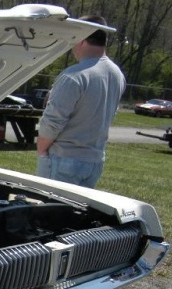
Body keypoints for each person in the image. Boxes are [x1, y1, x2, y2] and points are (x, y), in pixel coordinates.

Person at [35, 15, 125, 188]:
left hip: (63, 159)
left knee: (51, 213)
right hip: (95, 161)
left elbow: (53, 121)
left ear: (82, 39)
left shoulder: (75, 75)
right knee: (77, 214)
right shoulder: (117, 74)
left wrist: (41, 148)